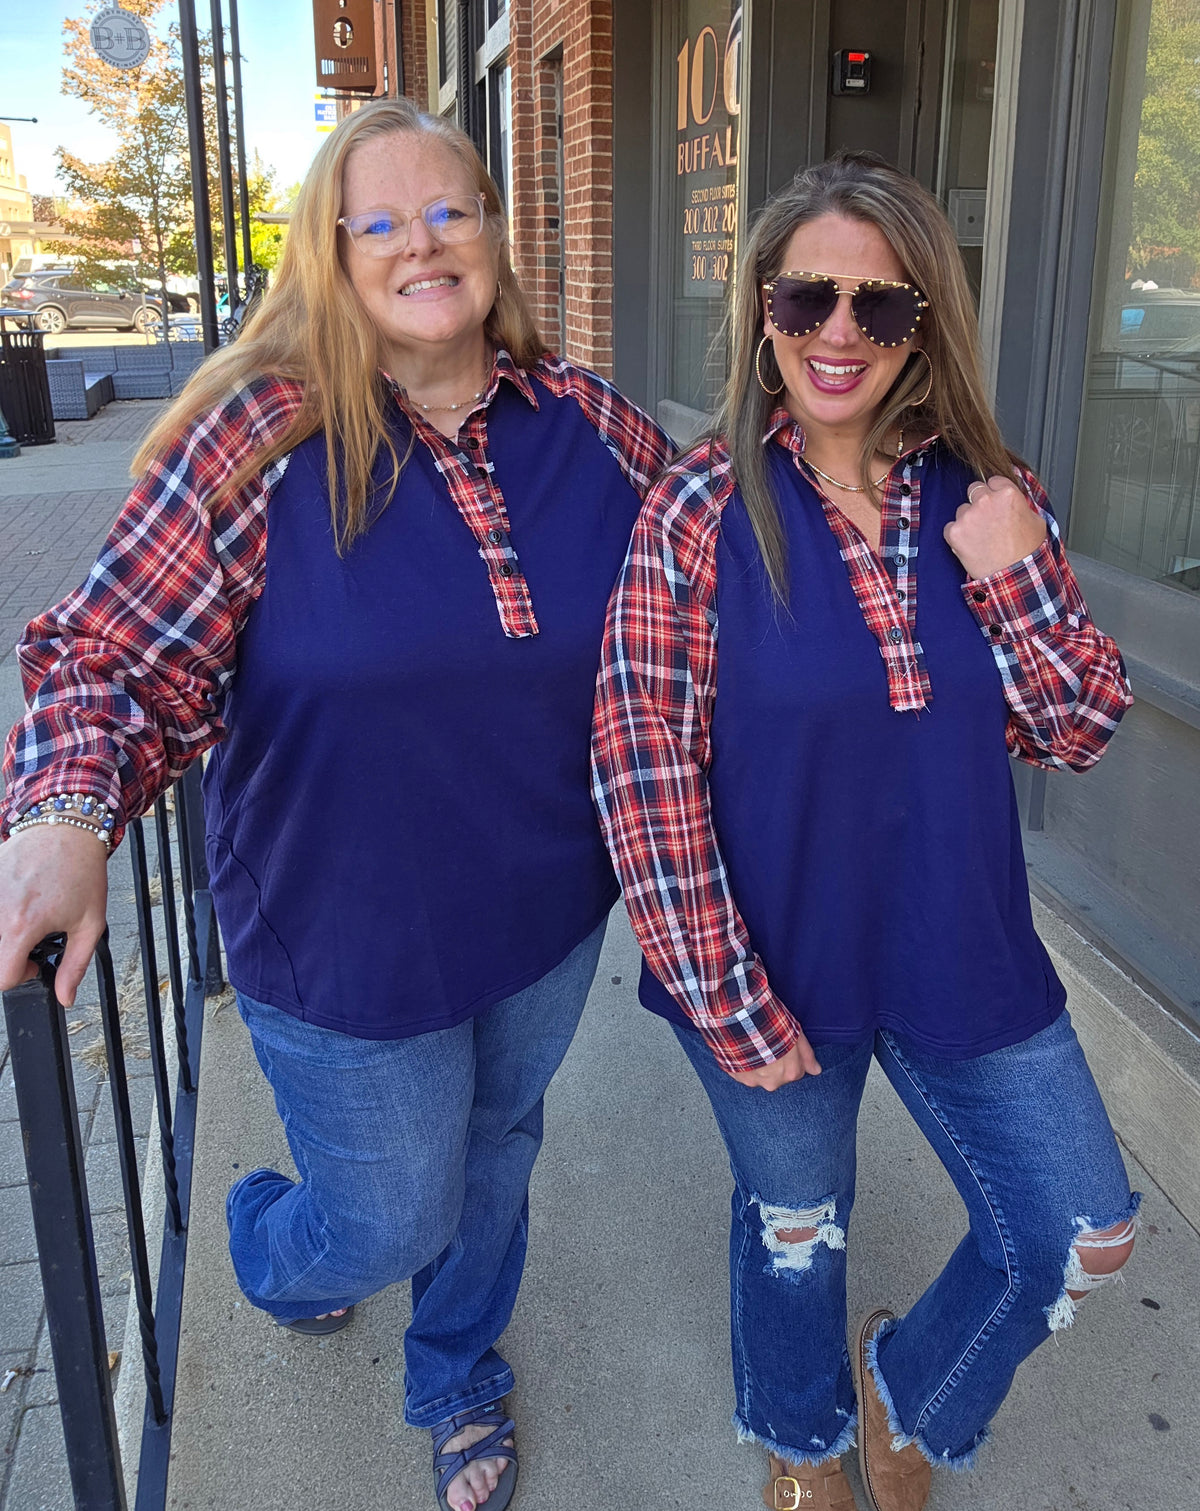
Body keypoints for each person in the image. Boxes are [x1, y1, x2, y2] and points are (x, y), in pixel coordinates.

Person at [0, 98, 670, 1511]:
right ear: (332, 252)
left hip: (547, 914)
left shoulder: (590, 425)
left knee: (493, 1156)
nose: (424, 244)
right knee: (383, 1208)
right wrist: (68, 818)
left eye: (451, 211)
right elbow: (106, 652)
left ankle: (455, 1368)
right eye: (383, 222)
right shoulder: (259, 439)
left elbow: (725, 572)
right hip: (341, 932)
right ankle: (265, 1241)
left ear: (493, 232)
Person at [592, 152, 1137, 1511]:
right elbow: (642, 770)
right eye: (808, 299)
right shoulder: (699, 511)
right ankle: (801, 1435)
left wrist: (1012, 578)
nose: (840, 335)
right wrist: (725, 997)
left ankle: (912, 1394)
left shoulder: (990, 497)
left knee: (1078, 1233)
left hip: (962, 941)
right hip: (771, 960)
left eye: (882, 309)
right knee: (796, 1232)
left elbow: (1075, 729)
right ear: (762, 311)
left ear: (924, 327)